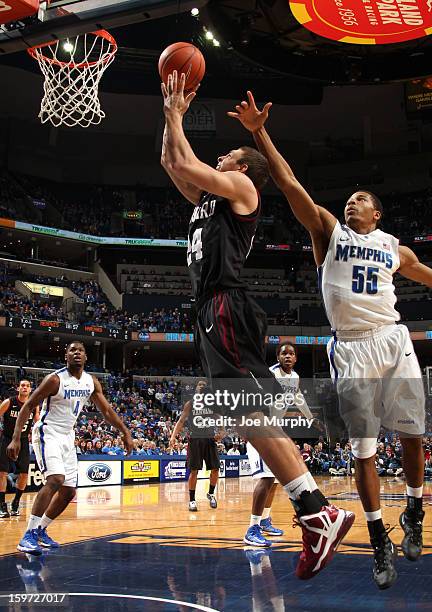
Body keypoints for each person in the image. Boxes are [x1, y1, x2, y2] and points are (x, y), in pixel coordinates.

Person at [228, 90, 431, 588]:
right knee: (363, 450)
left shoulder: (393, 248)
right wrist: (258, 131)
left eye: (362, 199)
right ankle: (379, 538)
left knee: (412, 436)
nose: (352, 201)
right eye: (350, 198)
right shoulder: (328, 231)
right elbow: (288, 180)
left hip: (392, 336)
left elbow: (428, 275)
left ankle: (414, 509)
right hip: (353, 346)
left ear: (377, 214)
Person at [160, 71, 354, 580]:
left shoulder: (243, 186)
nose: (220, 156)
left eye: (225, 155)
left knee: (248, 413)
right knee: (248, 416)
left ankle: (318, 513)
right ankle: (315, 508)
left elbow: (183, 160)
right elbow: (170, 161)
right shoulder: (207, 202)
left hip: (225, 305)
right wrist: (168, 113)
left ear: (242, 166)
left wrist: (178, 113)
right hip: (211, 311)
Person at [7, 341, 134, 555]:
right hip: (48, 432)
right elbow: (28, 406)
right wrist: (16, 437)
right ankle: (27, 535)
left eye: (81, 351)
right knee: (55, 479)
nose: (77, 353)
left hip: (67, 436)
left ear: (86, 357)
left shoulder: (91, 382)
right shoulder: (55, 380)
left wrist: (126, 432)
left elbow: (107, 411)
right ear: (66, 356)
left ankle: (40, 530)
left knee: (68, 491)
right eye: (72, 350)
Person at [244, 343, 301, 547]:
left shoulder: (295, 378)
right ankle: (252, 528)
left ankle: (265, 520)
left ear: (295, 358)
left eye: (291, 353)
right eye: (284, 353)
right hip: (259, 428)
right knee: (266, 478)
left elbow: (284, 405)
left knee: (274, 482)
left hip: (274, 429)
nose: (287, 356)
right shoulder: (268, 374)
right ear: (277, 357)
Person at [169, 381, 219, 512]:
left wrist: (223, 431)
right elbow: (181, 421)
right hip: (195, 439)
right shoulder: (190, 404)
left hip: (210, 438)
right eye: (199, 385)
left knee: (215, 469)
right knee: (193, 471)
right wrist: (173, 436)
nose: (202, 386)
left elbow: (219, 418)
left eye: (204, 385)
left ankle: (211, 493)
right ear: (196, 388)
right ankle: (192, 500)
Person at [0, 379, 38, 518]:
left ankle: (16, 502)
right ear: (18, 388)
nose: (25, 387)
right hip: (7, 439)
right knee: (2, 472)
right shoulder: (9, 402)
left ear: (30, 389)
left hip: (23, 441)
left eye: (27, 386)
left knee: (24, 474)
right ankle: (2, 505)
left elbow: (37, 422)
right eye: (22, 385)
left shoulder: (33, 405)